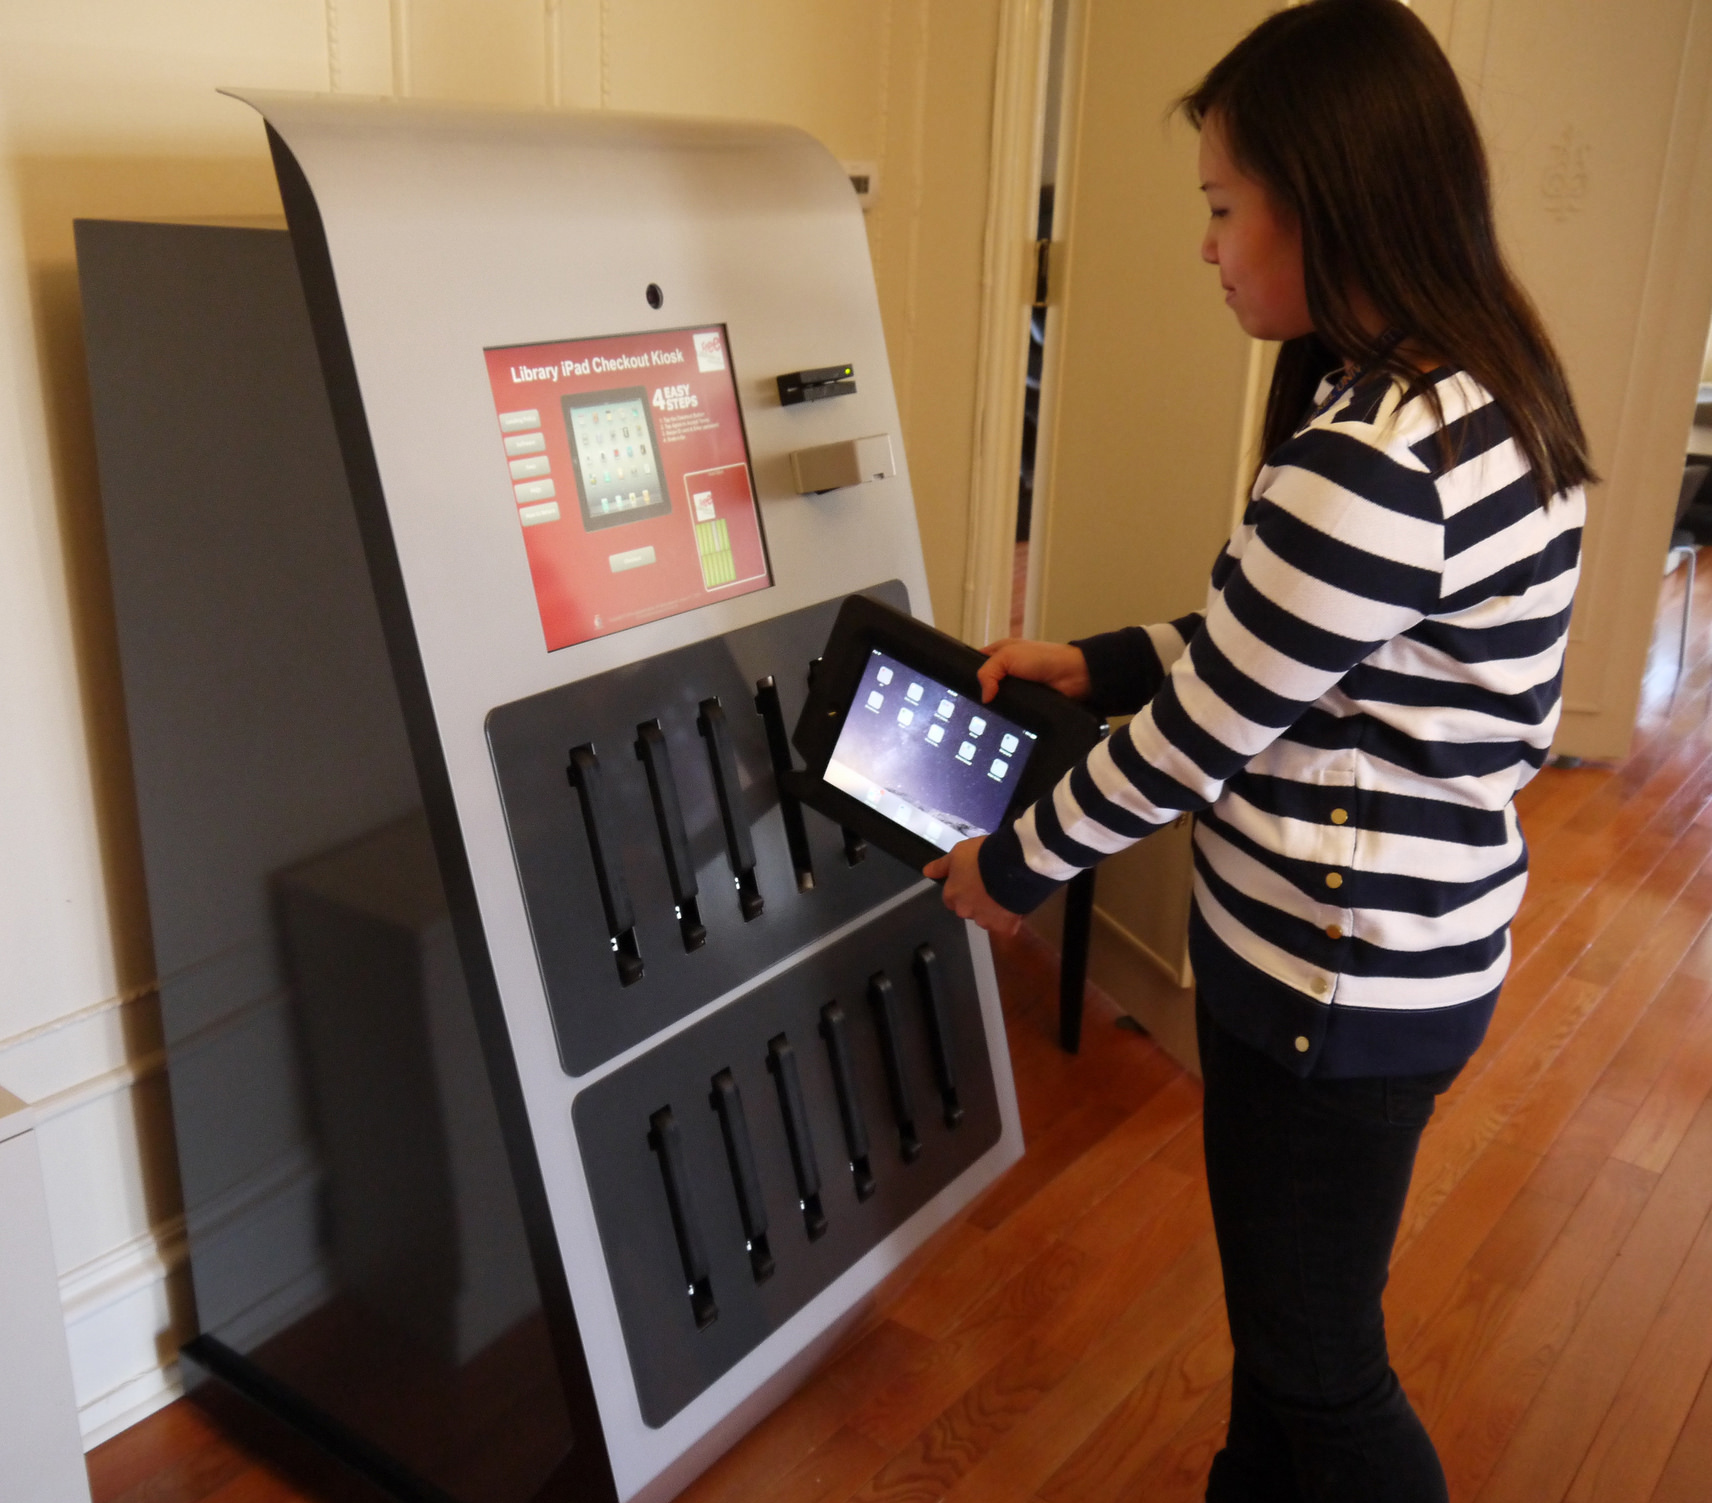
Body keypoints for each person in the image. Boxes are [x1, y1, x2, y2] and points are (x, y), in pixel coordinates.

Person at [924, 2, 1593, 1499]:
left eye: (1226, 207)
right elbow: (1288, 656)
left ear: (1328, 194)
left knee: (1319, 1367)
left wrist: (1012, 869)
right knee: (1290, 1335)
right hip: (1416, 953)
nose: (1209, 246)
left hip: (1325, 982)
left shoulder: (1368, 465)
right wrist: (1089, 659)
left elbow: (1195, 743)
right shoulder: (1475, 395)